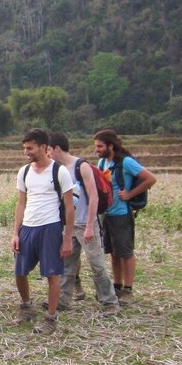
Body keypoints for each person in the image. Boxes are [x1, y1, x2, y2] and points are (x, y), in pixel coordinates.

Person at [47, 132, 120, 315]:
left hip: (86, 224)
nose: (47, 154)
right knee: (67, 264)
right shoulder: (58, 168)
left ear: (56, 149)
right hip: (69, 225)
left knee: (96, 264)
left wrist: (89, 226)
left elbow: (94, 197)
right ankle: (63, 300)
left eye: (48, 150)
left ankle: (109, 302)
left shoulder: (81, 166)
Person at [11, 129, 75, 334]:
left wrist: (67, 239)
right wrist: (15, 233)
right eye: (24, 148)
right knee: (19, 271)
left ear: (43, 147)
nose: (26, 152)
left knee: (52, 274)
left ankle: (51, 318)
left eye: (30, 148)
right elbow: (21, 203)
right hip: (28, 228)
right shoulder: (24, 172)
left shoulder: (60, 172)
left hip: (50, 228)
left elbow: (69, 206)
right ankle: (26, 306)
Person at [94, 129, 157, 305]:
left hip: (122, 213)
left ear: (110, 146)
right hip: (107, 214)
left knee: (126, 252)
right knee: (113, 252)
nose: (96, 150)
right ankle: (117, 285)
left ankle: (128, 289)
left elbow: (150, 179)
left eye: (100, 146)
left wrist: (130, 194)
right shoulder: (102, 163)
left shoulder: (126, 162)